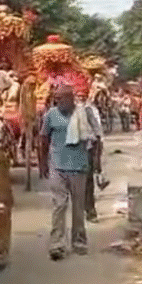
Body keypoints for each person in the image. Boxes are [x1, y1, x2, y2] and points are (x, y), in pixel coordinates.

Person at [40, 84, 97, 260]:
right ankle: (56, 244)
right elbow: (43, 139)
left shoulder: (84, 114)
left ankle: (79, 241)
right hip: (58, 166)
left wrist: (96, 163)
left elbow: (96, 139)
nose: (60, 102)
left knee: (78, 207)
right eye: (57, 99)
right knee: (59, 205)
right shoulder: (51, 115)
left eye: (64, 99)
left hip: (79, 167)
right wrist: (43, 164)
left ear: (72, 99)